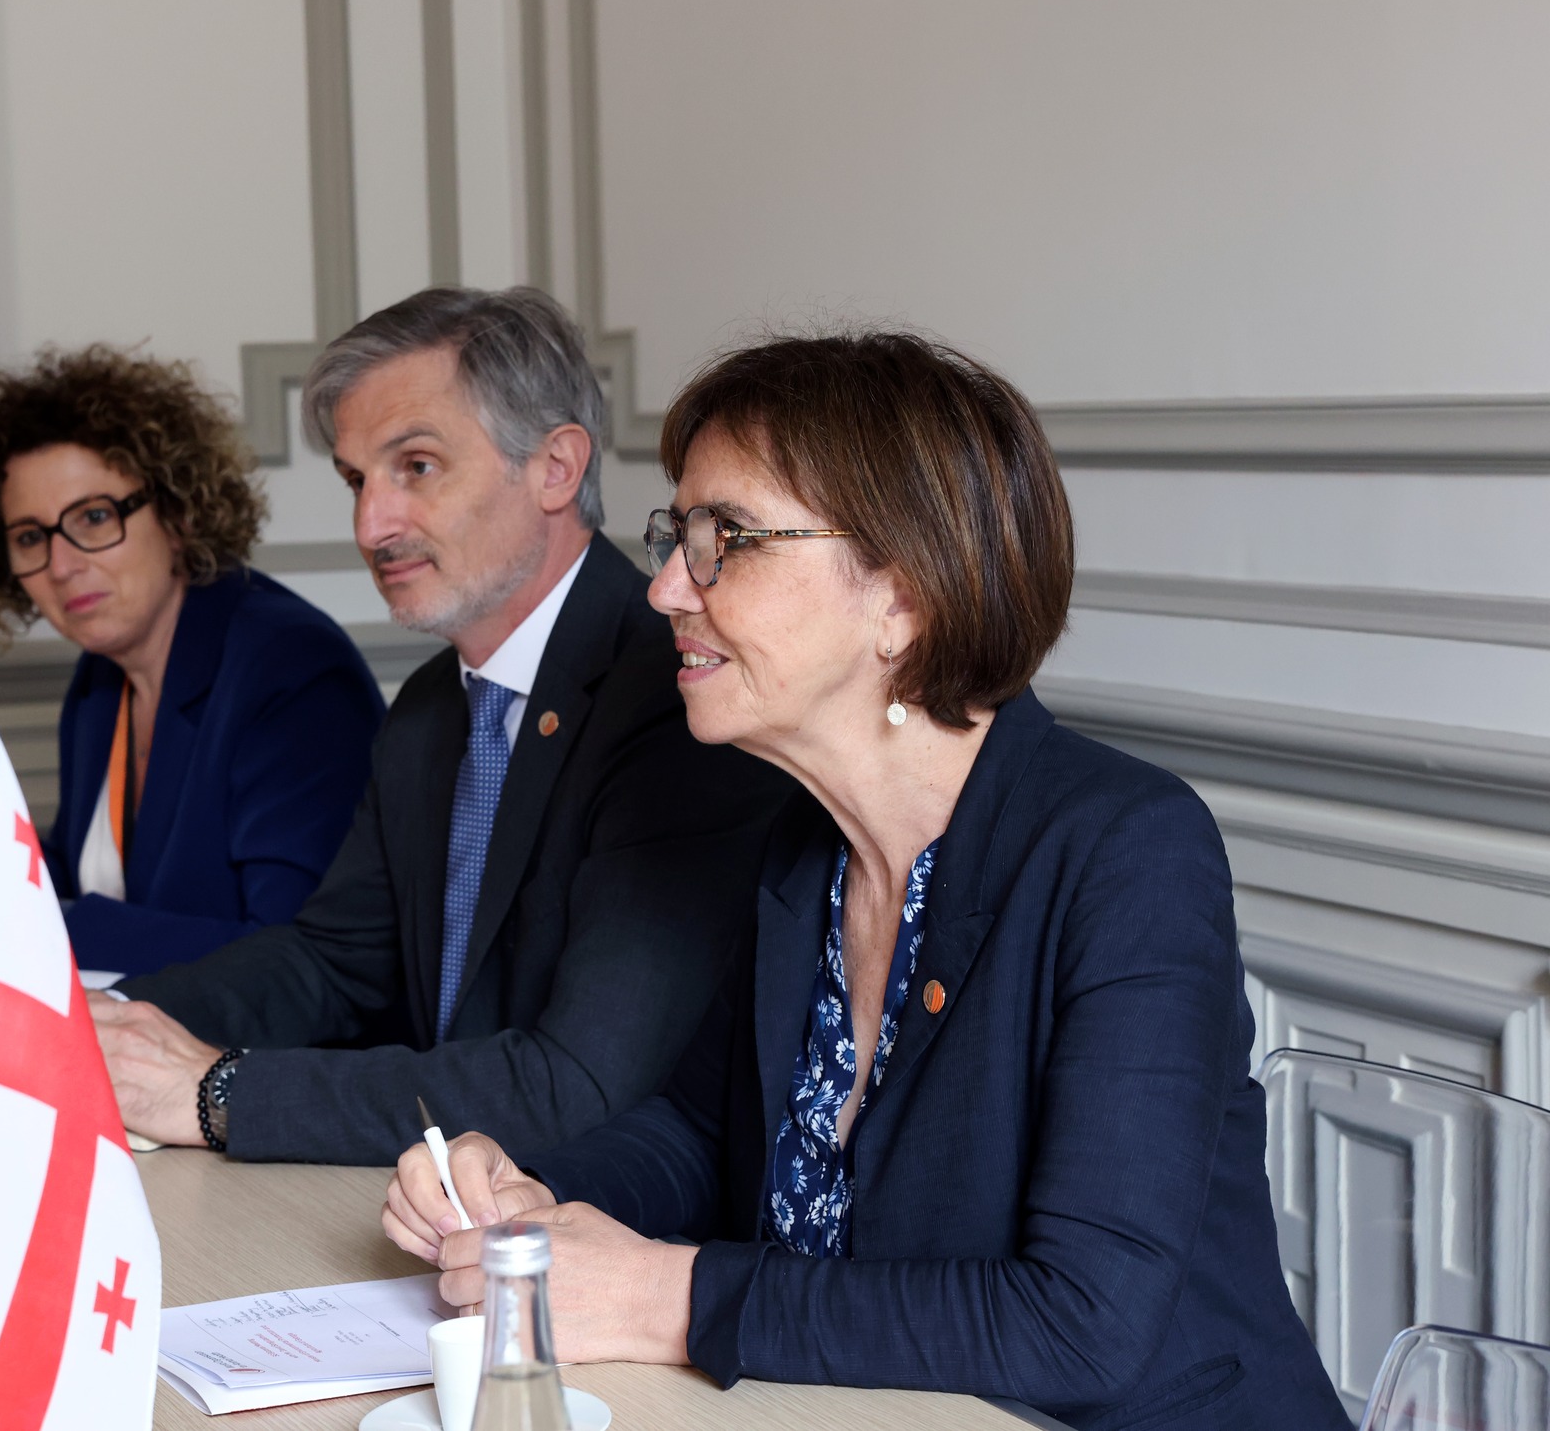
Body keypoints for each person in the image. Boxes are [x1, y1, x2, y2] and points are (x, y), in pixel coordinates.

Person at [381, 332, 1351, 1431]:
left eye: (722, 540)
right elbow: (697, 1135)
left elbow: (1082, 1324)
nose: (664, 588)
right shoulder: (805, 844)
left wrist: (667, 1297)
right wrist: (534, 1195)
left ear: (903, 594)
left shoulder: (1126, 850)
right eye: (674, 537)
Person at [88, 286, 794, 1166]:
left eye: (415, 467)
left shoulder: (677, 696)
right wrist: (100, 1020)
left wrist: (218, 1093)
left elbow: (577, 1087)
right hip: (437, 1199)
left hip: (597, 1221)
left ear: (556, 468)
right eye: (357, 480)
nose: (370, 524)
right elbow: (331, 962)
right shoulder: (432, 702)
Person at [0, 344, 384, 975]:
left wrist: (41, 925)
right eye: (30, 537)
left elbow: (294, 958)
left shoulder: (292, 669)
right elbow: (88, 872)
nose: (62, 565)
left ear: (178, 513)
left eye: (94, 517)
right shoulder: (101, 678)